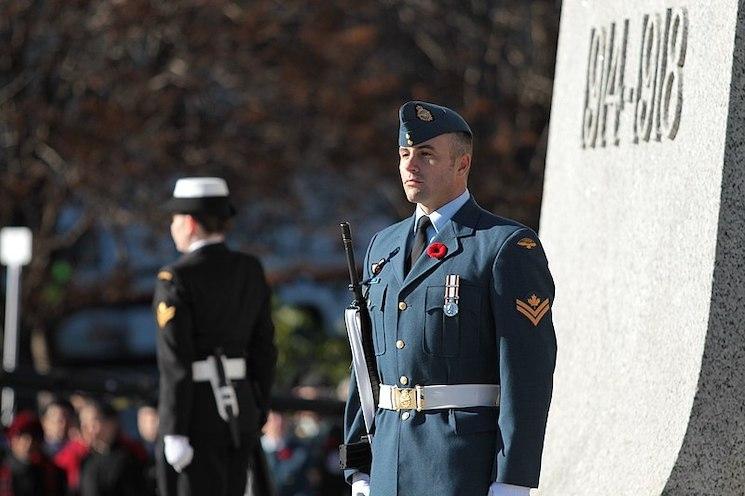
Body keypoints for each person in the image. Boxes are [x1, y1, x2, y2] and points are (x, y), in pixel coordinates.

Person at [343, 101, 557, 496]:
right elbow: (364, 364)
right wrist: (359, 466)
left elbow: (526, 374)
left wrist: (512, 479)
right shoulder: (382, 246)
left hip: (459, 467)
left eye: (426, 155)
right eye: (404, 154)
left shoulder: (504, 246)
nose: (410, 165)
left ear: (462, 165)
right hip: (389, 462)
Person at [154, 177, 277, 496]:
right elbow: (264, 348)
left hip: (196, 415)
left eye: (175, 219)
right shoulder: (250, 269)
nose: (173, 227)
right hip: (242, 408)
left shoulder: (176, 277)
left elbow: (175, 360)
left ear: (190, 223)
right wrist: (258, 407)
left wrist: (174, 430)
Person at [77, 400, 147, 496]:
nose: (86, 427)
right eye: (83, 422)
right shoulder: (82, 458)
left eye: (93, 421)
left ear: (112, 424)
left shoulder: (127, 459)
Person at [0, 410, 67, 496]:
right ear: (12, 439)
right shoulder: (4, 469)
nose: (29, 444)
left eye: (34, 438)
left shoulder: (50, 472)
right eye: (23, 437)